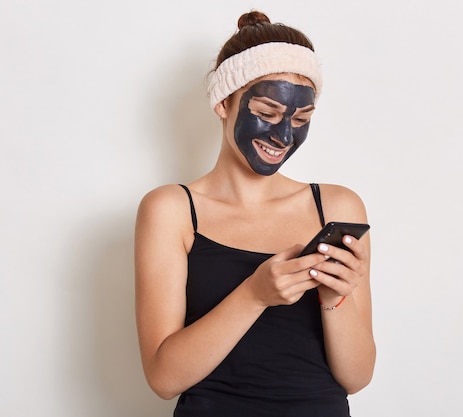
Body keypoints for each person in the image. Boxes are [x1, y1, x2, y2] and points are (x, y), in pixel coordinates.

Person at [134, 10, 376, 417]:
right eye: (266, 112)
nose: (283, 136)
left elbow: (357, 376)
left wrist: (334, 297)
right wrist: (254, 295)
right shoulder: (172, 210)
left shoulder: (335, 206)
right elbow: (163, 378)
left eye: (301, 119)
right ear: (224, 102)